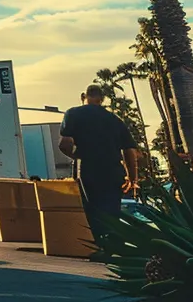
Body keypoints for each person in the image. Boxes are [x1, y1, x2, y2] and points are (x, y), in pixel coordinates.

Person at [58, 84, 140, 223]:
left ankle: (97, 240)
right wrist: (132, 178)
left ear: (83, 97)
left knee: (92, 212)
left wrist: (78, 157)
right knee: (113, 213)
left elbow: (65, 144)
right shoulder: (115, 120)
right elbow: (129, 151)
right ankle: (114, 241)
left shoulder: (73, 114)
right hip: (113, 171)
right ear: (102, 100)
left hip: (88, 170)